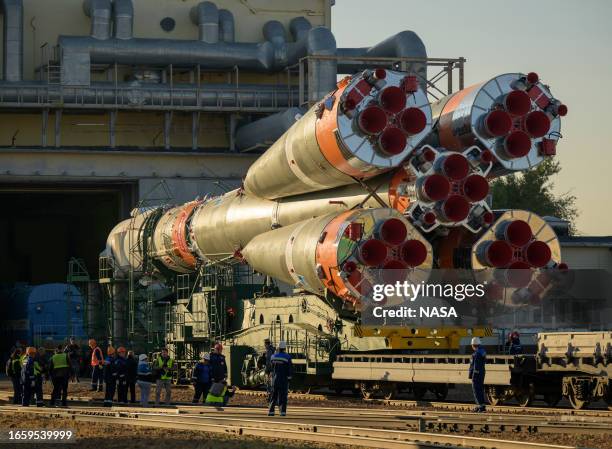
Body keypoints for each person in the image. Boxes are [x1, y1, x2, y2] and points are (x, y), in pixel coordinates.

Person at [268, 340, 292, 417]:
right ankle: (282, 412)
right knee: (283, 396)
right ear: (284, 348)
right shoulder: (287, 357)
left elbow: (270, 368)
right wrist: (289, 378)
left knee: (273, 396)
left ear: (278, 347)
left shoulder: (273, 357)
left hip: (274, 379)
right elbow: (289, 369)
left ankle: (271, 411)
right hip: (283, 380)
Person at [469, 336, 487, 412]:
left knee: (476, 390)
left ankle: (480, 406)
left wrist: (472, 375)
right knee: (480, 389)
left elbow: (474, 366)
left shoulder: (476, 354)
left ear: (473, 345)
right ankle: (481, 405)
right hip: (482, 373)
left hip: (476, 374)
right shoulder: (482, 352)